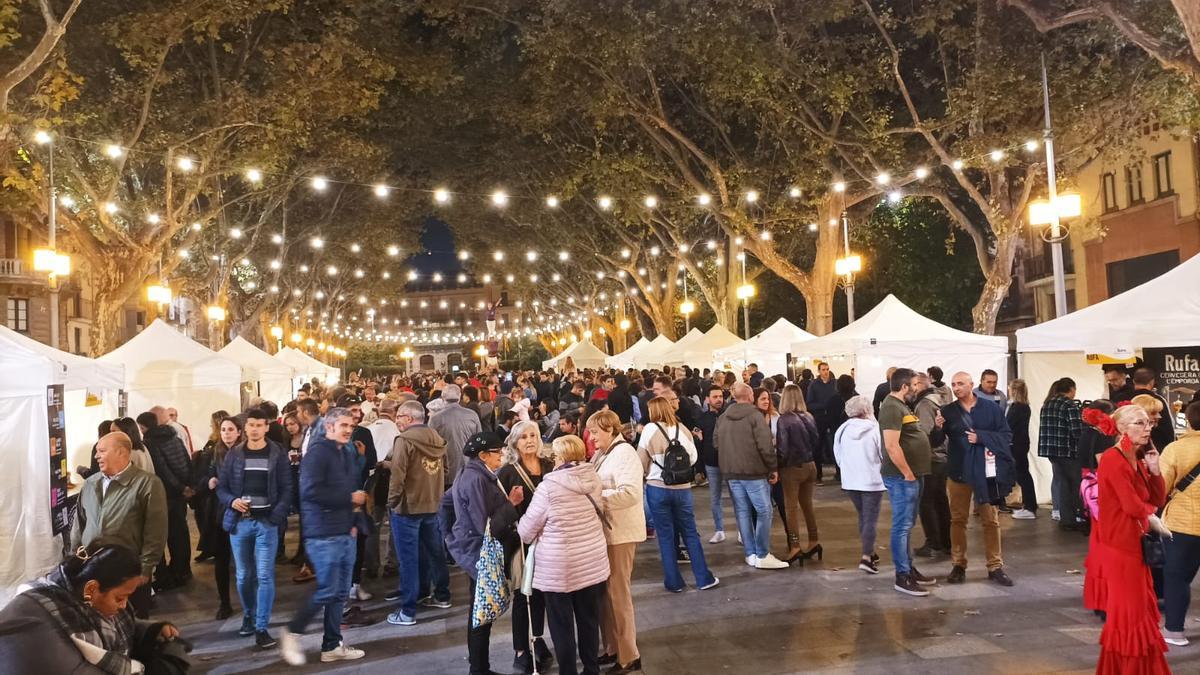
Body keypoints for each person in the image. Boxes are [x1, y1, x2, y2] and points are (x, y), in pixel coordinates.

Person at [0, 544, 184, 673]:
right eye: (120, 597)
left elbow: (121, 627)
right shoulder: (44, 624)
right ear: (91, 589)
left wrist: (152, 630)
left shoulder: (82, 601)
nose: (124, 605)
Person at [279, 407, 369, 665]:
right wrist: (348, 500)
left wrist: (352, 521)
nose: (348, 430)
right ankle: (293, 630)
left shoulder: (344, 453)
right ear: (329, 427)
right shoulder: (318, 454)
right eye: (343, 425)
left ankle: (332, 645)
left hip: (344, 531)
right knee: (328, 589)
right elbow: (309, 492)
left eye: (351, 426)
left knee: (340, 593)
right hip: (323, 533)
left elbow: (349, 486)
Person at [518, 435, 611, 675]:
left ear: (560, 457)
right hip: (591, 561)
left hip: (560, 567)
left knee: (561, 625)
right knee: (589, 620)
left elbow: (526, 531)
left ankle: (568, 671)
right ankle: (591, 669)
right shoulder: (593, 477)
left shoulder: (548, 487)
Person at [1094, 404, 1170, 674]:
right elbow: (1132, 505)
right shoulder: (1114, 459)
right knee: (1131, 613)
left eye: (1148, 422)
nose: (1147, 427)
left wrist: (1155, 469)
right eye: (1140, 422)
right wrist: (1153, 518)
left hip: (1135, 545)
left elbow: (1156, 499)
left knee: (1137, 610)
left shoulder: (1135, 458)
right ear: (1122, 428)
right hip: (1121, 547)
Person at [445, 432, 524, 675]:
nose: (501, 455)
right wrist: (511, 504)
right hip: (480, 552)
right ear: (482, 455)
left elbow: (445, 503)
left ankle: (479, 667)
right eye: (496, 452)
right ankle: (479, 669)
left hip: (471, 550)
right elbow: (487, 527)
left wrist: (450, 535)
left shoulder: (473, 473)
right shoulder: (476, 479)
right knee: (480, 613)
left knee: (479, 611)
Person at [71, 432, 167, 619]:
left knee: (132, 624)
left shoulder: (147, 484)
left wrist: (146, 568)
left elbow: (156, 532)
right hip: (93, 571)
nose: (96, 456)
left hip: (129, 573)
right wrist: (75, 559)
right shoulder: (90, 483)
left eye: (102, 451)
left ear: (121, 452)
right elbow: (79, 523)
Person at [218, 408, 292, 649]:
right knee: (243, 576)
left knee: (264, 575)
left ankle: (262, 626)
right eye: (251, 425)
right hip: (240, 523)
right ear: (246, 427)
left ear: (266, 427)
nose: (255, 429)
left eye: (259, 425)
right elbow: (223, 487)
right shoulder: (235, 455)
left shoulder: (277, 453)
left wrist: (276, 516)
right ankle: (249, 615)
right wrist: (231, 501)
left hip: (266, 523)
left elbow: (286, 487)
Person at [940, 371, 1014, 586]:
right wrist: (937, 427)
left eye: (960, 384)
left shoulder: (990, 408)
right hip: (959, 471)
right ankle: (958, 564)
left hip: (986, 472)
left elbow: (1006, 435)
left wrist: (981, 437)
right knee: (957, 519)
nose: (956, 388)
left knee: (991, 520)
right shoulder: (948, 411)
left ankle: (995, 566)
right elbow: (936, 440)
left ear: (972, 385)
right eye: (953, 384)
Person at [639, 397, 718, 593]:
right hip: (682, 489)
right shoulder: (682, 429)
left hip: (657, 488)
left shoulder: (649, 429)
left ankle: (674, 581)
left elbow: (640, 459)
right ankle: (703, 578)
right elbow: (692, 457)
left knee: (665, 536)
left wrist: (650, 472)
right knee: (690, 533)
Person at [586, 410, 644, 674]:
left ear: (610, 429)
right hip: (606, 534)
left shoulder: (625, 454)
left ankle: (628, 655)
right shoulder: (604, 453)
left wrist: (595, 497)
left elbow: (630, 493)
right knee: (606, 595)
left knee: (618, 596)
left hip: (620, 534)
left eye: (595, 432)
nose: (591, 437)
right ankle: (612, 648)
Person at [385, 400, 452, 627]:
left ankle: (407, 610)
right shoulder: (436, 438)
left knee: (408, 559)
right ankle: (441, 595)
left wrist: (392, 501)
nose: (397, 420)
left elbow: (398, 475)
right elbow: (445, 470)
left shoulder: (404, 441)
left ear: (410, 418)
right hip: (433, 505)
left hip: (408, 507)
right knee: (435, 552)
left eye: (400, 416)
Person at [497, 421, 556, 673]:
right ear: (514, 442)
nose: (530, 440)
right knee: (523, 595)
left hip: (551, 540)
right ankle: (521, 649)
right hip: (521, 542)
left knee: (543, 594)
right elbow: (499, 512)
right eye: (523, 437)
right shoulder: (507, 473)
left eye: (533, 435)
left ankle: (538, 638)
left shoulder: (550, 466)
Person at [716, 383, 789, 570]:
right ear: (750, 397)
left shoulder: (723, 417)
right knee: (765, 510)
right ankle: (762, 553)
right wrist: (773, 468)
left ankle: (750, 553)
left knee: (742, 511)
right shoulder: (755, 416)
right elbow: (765, 446)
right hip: (754, 472)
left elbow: (716, 442)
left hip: (731, 472)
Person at [878, 368, 935, 596]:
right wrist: (907, 473)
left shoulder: (902, 406)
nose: (917, 388)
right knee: (901, 526)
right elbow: (892, 445)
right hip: (902, 477)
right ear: (904, 387)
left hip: (912, 475)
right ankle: (902, 575)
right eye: (914, 385)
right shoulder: (891, 407)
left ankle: (908, 567)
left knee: (907, 525)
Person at [137, 411, 193, 589]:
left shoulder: (150, 443)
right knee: (181, 533)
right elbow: (186, 459)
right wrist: (186, 485)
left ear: (144, 427)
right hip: (180, 493)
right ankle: (183, 569)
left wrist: (179, 487)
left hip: (167, 494)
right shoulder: (174, 437)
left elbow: (162, 470)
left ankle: (171, 575)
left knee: (164, 535)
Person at [1160, 401, 1200, 646]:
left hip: (1183, 523)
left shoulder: (1175, 449)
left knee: (1177, 577)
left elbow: (1160, 488)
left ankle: (1175, 631)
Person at [834, 395, 885, 574]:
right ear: (867, 410)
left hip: (851, 480)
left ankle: (869, 550)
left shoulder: (842, 429)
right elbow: (883, 454)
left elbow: (837, 454)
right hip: (872, 480)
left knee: (863, 515)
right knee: (870, 518)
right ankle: (866, 556)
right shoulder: (875, 429)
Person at [196, 415, 241, 619]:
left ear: (239, 432)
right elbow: (206, 475)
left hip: (241, 510)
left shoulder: (245, 453)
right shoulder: (217, 451)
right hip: (220, 511)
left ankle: (251, 601)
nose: (226, 433)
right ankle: (225, 603)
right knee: (221, 559)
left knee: (244, 561)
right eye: (223, 430)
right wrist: (209, 481)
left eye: (230, 429)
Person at [775, 384, 821, 563]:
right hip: (810, 465)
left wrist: (777, 464)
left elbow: (784, 449)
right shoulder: (809, 416)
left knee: (791, 508)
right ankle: (814, 540)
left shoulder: (784, 420)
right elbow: (816, 440)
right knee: (807, 505)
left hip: (792, 468)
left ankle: (795, 546)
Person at [912, 372, 951, 558]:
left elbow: (926, 436)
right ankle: (945, 541)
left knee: (927, 502)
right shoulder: (939, 400)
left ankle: (934, 542)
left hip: (931, 459)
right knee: (940, 501)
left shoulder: (925, 404)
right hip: (941, 458)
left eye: (913, 385)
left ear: (920, 384)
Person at [1038, 378, 1085, 526]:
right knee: (1075, 483)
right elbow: (1076, 430)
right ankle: (1077, 515)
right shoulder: (1069, 404)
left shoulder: (1047, 403)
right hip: (1067, 450)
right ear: (1071, 389)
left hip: (1051, 450)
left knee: (1062, 482)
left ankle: (1065, 517)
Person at [428, 384, 482, 488]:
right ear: (459, 397)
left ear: (443, 398)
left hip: (446, 470)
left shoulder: (435, 418)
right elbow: (479, 441)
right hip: (468, 468)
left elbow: (430, 444)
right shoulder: (472, 415)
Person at [697, 384, 726, 543]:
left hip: (730, 462)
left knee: (738, 498)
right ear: (707, 399)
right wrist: (700, 467)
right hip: (711, 462)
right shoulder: (702, 419)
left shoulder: (729, 415)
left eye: (720, 396)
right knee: (715, 498)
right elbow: (700, 444)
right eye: (715, 397)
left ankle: (743, 531)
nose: (719, 400)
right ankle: (719, 529)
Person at [1005, 379, 1038, 520]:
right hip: (1021, 444)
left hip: (1016, 445)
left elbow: (1008, 425)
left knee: (1023, 475)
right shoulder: (1023, 406)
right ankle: (1028, 505)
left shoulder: (1017, 407)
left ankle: (1030, 507)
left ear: (1013, 390)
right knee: (1023, 475)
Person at [806, 362, 838, 483]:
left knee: (836, 444)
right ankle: (818, 475)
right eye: (823, 369)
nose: (826, 372)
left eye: (827, 369)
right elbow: (809, 403)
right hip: (819, 419)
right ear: (819, 371)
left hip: (833, 418)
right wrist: (823, 406)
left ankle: (839, 473)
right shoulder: (813, 385)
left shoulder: (834, 383)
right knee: (818, 446)